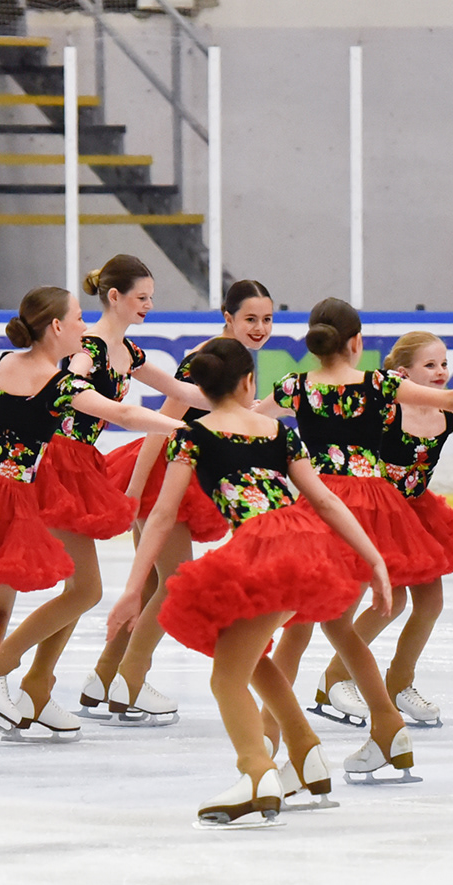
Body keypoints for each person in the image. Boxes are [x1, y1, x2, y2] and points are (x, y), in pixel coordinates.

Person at [256, 298, 453, 781]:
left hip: (325, 502)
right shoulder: (380, 384)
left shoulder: (294, 386)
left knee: (299, 621)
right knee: (326, 623)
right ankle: (384, 728)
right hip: (374, 504)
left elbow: (251, 423)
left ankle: (273, 745)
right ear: (356, 342)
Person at [105, 340, 387, 826]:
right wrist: (374, 560)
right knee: (244, 651)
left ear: (201, 390)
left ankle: (256, 772)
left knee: (225, 676)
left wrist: (133, 588)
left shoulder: (191, 437)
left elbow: (162, 516)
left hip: (262, 550)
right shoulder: (279, 430)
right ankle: (304, 752)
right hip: (307, 544)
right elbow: (325, 502)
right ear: (248, 383)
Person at [0, 287, 184, 754]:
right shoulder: (64, 383)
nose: (82, 326)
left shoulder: (3, 364)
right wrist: (187, 427)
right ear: (56, 327)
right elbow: (125, 413)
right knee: (0, 607)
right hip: (14, 493)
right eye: (75, 319)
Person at [0, 255, 210, 737]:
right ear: (115, 297)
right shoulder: (87, 348)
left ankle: (38, 687)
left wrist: (241, 410)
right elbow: (80, 380)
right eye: (141, 297)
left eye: (151, 297)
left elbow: (182, 391)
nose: (149, 305)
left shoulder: (130, 352)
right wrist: (79, 383)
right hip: (58, 464)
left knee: (77, 589)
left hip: (83, 466)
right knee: (85, 589)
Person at [307, 331, 453, 725]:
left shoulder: (446, 413)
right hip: (373, 513)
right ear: (401, 373)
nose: (441, 371)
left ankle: (399, 682)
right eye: (430, 365)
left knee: (430, 605)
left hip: (414, 516)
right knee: (381, 604)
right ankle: (336, 678)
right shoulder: (385, 408)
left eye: (444, 363)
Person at [90, 278, 272, 723]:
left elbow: (231, 418)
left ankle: (103, 678)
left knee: (152, 585)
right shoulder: (207, 359)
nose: (260, 327)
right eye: (250, 319)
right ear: (228, 318)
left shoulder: (238, 361)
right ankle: (130, 682)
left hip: (177, 468)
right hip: (162, 470)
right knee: (172, 584)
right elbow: (163, 419)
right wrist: (135, 487)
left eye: (267, 319)